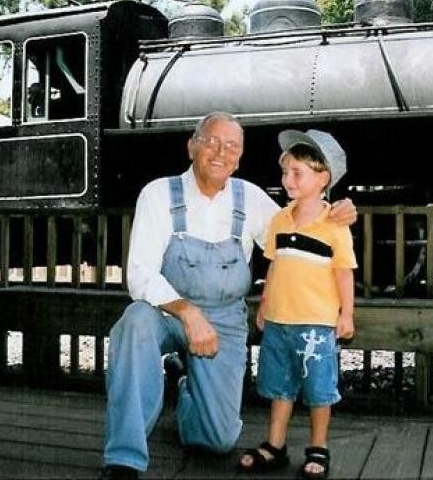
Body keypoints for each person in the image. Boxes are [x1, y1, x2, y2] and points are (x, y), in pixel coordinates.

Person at [100, 112, 357, 480]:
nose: (221, 152)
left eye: (232, 146)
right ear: (192, 146)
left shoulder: (251, 200)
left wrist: (338, 211)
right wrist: (188, 314)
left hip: (224, 319)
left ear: (240, 157)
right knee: (133, 324)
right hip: (166, 312)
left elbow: (301, 232)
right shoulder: (158, 194)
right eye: (211, 142)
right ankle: (124, 459)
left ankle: (188, 385)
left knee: (217, 439)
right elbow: (139, 275)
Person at [238, 129, 356, 480]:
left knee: (319, 391)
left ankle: (318, 447)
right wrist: (264, 304)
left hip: (316, 324)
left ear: (323, 178)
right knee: (279, 386)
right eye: (285, 172)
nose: (286, 179)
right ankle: (275, 445)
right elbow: (274, 266)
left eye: (296, 173)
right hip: (278, 322)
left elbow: (344, 273)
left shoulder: (334, 226)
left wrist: (346, 314)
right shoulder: (280, 220)